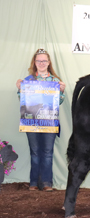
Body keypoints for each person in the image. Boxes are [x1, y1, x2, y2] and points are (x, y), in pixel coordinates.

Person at [16, 48, 66, 192]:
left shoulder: (56, 81)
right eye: (39, 61)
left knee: (48, 152)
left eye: (44, 61)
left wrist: (61, 92)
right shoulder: (28, 80)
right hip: (31, 122)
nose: (42, 63)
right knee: (35, 152)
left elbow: (59, 102)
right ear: (35, 62)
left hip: (49, 122)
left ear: (49, 62)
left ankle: (46, 183)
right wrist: (20, 88)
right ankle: (33, 183)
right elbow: (22, 100)